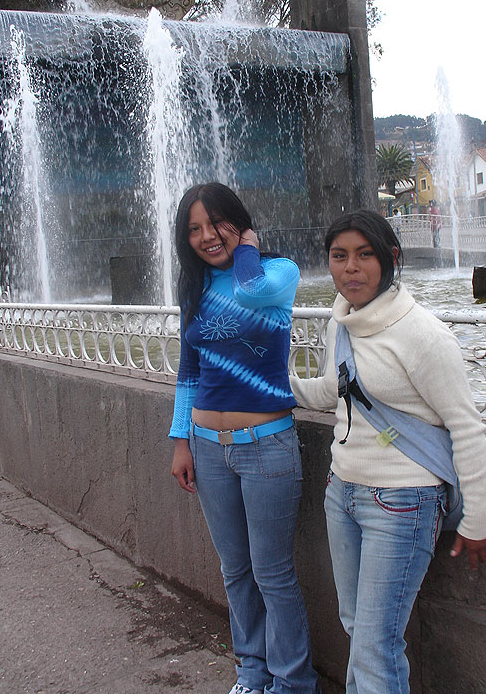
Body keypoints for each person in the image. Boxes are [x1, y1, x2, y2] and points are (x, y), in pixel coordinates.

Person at [290, 209, 486, 694]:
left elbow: (467, 428)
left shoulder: (422, 334)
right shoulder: (343, 322)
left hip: (403, 501)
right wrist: (279, 388)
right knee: (356, 626)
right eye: (339, 256)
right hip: (342, 492)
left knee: (375, 645)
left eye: (364, 255)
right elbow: (335, 390)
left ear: (391, 258)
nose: (350, 267)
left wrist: (477, 518)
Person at [169, 182, 320, 694]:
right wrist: (181, 440)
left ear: (240, 221)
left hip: (267, 445)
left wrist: (249, 246)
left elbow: (252, 291)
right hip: (207, 447)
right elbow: (189, 370)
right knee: (235, 570)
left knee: (272, 573)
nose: (207, 236)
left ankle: (294, 683)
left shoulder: (279, 272)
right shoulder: (194, 288)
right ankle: (251, 673)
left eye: (217, 223)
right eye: (194, 229)